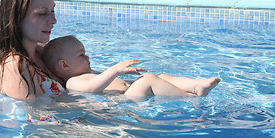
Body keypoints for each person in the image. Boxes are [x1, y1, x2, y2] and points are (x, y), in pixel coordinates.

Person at [42, 35, 220, 97]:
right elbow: (91, 89)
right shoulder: (73, 81)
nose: (87, 57)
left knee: (161, 77)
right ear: (64, 65)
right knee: (149, 80)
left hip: (128, 92)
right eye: (81, 55)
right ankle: (190, 97)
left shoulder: (90, 72)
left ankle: (195, 86)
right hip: (123, 101)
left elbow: (114, 82)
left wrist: (126, 76)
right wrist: (115, 69)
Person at [0, 0, 65, 100]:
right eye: (41, 13)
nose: (54, 20)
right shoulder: (15, 65)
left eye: (52, 11)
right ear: (17, 18)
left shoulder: (41, 52)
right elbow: (30, 114)